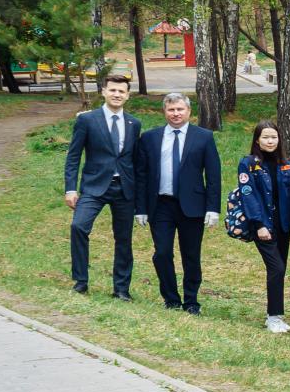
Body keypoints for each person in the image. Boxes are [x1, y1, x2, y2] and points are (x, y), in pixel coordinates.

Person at [135, 92, 222, 314]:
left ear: (189, 111)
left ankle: (191, 300)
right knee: (162, 253)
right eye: (171, 109)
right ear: (164, 112)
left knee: (191, 255)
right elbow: (142, 175)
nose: (176, 113)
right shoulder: (150, 138)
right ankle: (171, 299)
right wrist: (140, 208)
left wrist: (213, 208)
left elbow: (213, 175)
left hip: (192, 206)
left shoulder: (203, 137)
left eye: (180, 109)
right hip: (160, 206)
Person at [64, 72, 140, 299]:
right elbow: (73, 156)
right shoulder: (87, 120)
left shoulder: (134, 123)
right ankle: (81, 281)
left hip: (124, 188)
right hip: (94, 186)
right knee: (79, 227)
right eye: (113, 90)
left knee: (123, 239)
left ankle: (121, 288)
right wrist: (70, 189)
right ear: (104, 92)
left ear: (127, 95)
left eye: (121, 91)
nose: (117, 94)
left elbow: (134, 159)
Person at [238, 121, 290, 333]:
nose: (270, 141)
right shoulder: (248, 164)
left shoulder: (286, 164)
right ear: (257, 140)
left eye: (274, 137)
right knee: (276, 268)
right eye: (265, 137)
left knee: (279, 270)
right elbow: (248, 195)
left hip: (283, 224)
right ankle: (273, 317)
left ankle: (277, 316)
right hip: (263, 225)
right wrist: (259, 224)